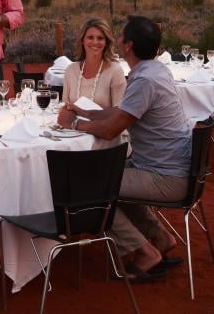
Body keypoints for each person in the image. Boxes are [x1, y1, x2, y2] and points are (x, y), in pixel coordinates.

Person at [58, 16, 190, 282]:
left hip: (165, 176)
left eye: (120, 37)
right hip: (171, 167)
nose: (116, 40)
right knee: (109, 173)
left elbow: (111, 130)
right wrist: (86, 112)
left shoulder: (144, 81)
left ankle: (143, 252)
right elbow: (121, 112)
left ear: (127, 45)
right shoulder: (154, 70)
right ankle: (159, 238)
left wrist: (73, 123)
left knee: (91, 185)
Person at [62, 17, 127, 109]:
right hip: (75, 123)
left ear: (106, 43)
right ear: (82, 41)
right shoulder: (71, 70)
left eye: (100, 38)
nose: (95, 42)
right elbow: (65, 108)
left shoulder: (115, 71)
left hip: (105, 123)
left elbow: (119, 113)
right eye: (90, 37)